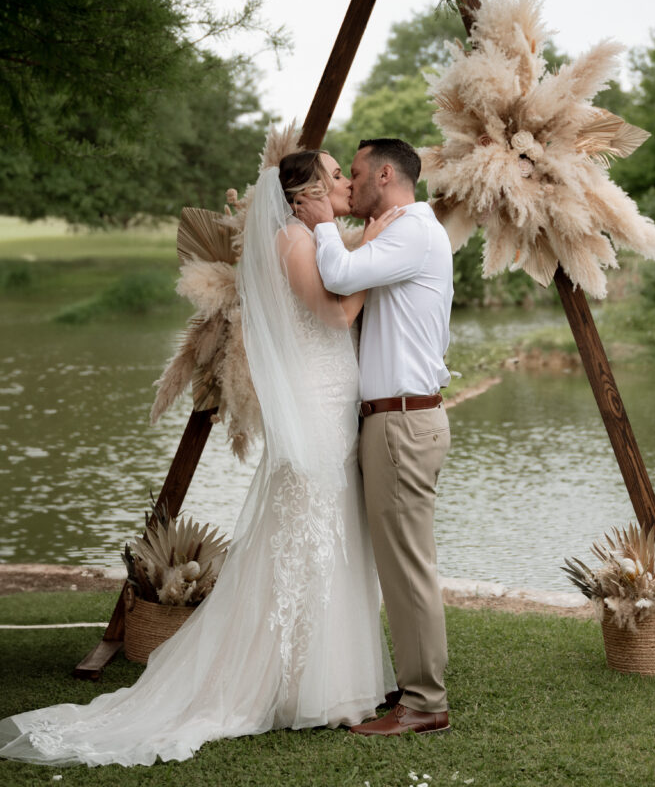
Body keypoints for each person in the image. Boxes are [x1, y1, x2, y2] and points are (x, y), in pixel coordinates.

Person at [0, 149, 400, 767]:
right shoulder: (294, 242)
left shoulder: (310, 237)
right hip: (317, 412)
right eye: (336, 174)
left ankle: (325, 678)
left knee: (322, 534)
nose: (347, 181)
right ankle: (298, 685)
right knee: (309, 537)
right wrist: (374, 261)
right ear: (306, 193)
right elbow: (336, 312)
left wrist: (353, 249)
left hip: (331, 400)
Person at [295, 138, 453, 737]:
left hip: (401, 423)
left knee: (407, 568)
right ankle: (414, 692)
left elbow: (336, 274)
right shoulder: (402, 230)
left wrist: (320, 225)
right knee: (399, 563)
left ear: (385, 174)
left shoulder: (412, 231)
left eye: (356, 174)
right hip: (398, 419)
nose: (351, 185)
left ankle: (423, 704)